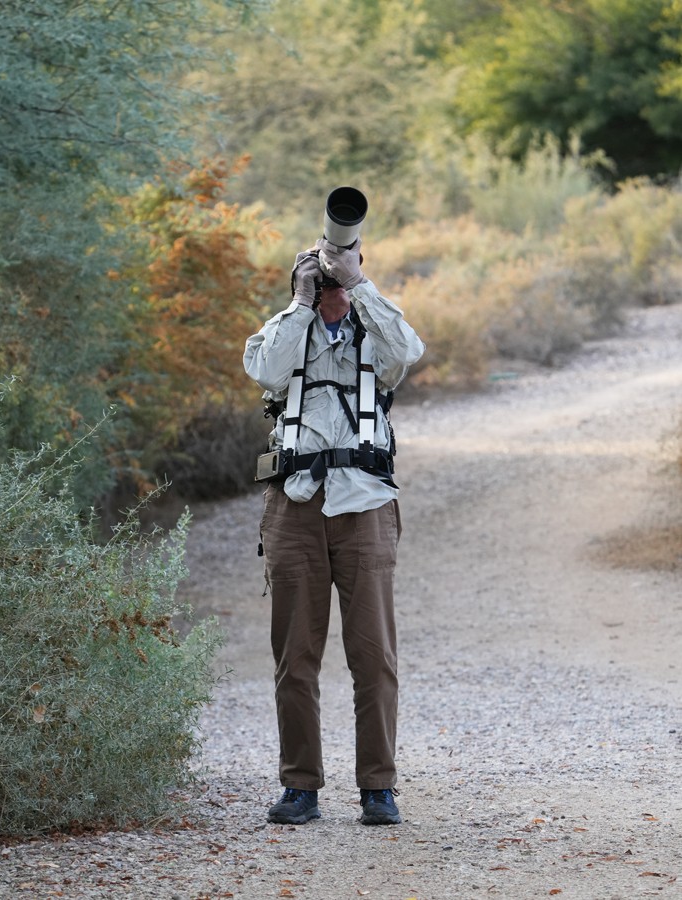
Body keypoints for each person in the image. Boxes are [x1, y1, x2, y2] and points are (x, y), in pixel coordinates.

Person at [243, 231, 424, 826]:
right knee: (295, 655)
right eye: (320, 274)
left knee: (373, 654)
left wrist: (359, 282)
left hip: (365, 502)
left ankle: (379, 787)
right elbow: (264, 370)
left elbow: (410, 352)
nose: (329, 284)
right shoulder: (282, 331)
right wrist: (299, 303)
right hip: (294, 506)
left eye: (335, 273)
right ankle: (301, 787)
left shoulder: (377, 331)